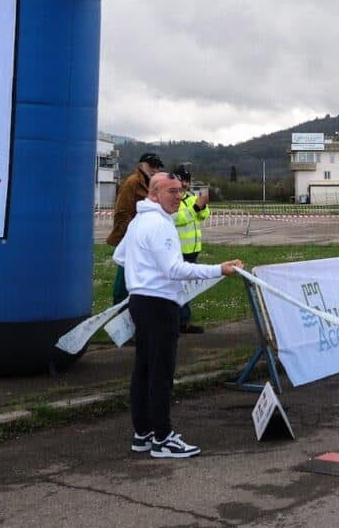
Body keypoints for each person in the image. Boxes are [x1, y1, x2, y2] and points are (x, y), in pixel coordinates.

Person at [113, 172, 242, 458]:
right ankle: (163, 437)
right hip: (159, 305)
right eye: (172, 191)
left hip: (141, 302)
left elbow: (119, 257)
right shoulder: (159, 224)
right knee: (160, 372)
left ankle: (143, 433)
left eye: (181, 191)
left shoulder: (139, 221)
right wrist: (218, 270)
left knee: (144, 369)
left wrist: (141, 273)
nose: (178, 197)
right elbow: (175, 269)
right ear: (154, 194)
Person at [107, 152, 164, 304]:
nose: (154, 170)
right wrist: (129, 236)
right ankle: (119, 307)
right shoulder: (132, 182)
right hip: (131, 236)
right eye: (151, 166)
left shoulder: (152, 184)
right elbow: (122, 211)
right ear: (141, 165)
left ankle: (135, 310)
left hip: (146, 238)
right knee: (125, 274)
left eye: (157, 167)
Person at [171, 164, 211, 334]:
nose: (186, 184)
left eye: (188, 180)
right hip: (180, 250)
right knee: (178, 288)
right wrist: (195, 208)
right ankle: (178, 322)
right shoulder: (174, 198)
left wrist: (201, 206)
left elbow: (204, 215)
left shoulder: (190, 197)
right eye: (183, 180)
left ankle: (183, 321)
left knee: (187, 288)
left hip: (193, 249)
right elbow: (176, 218)